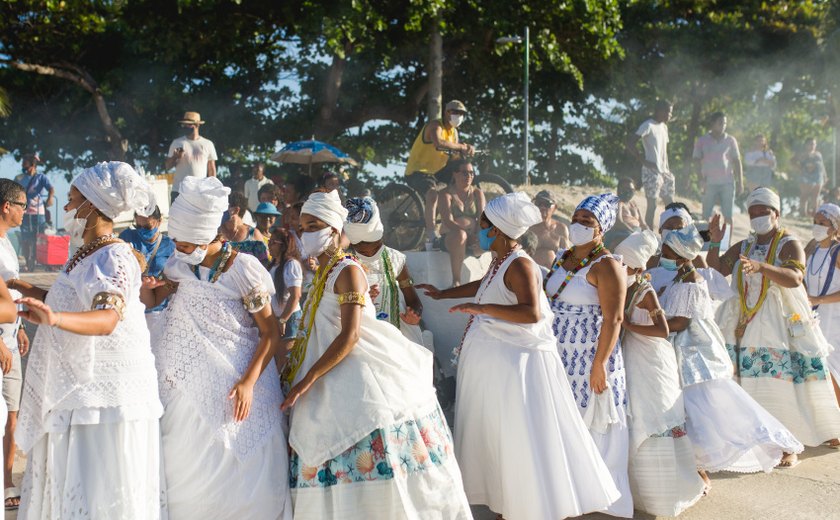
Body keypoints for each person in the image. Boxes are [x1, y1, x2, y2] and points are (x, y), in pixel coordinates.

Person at [418, 192, 620, 519]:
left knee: (514, 443)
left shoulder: (522, 264)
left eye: (484, 225)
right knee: (497, 442)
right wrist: (443, 294)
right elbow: (484, 285)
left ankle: (522, 507)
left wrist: (481, 309)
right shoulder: (502, 262)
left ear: (497, 229)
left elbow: (532, 313)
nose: (480, 229)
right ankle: (504, 503)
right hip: (494, 372)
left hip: (515, 372)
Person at [279, 190, 471, 519]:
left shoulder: (348, 271)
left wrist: (305, 381)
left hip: (359, 376)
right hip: (325, 375)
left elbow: (350, 335)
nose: (306, 233)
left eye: (314, 225)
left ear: (335, 230)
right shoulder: (321, 275)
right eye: (303, 226)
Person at [15, 161, 163, 518]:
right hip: (80, 394)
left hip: (104, 402)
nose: (65, 208)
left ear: (92, 206)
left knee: (98, 493)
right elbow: (72, 299)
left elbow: (107, 317)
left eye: (71, 199)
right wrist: (22, 287)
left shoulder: (115, 255)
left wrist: (55, 319)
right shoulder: (85, 254)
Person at [139, 176, 291, 519]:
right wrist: (137, 280)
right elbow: (152, 298)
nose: (177, 246)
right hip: (183, 387)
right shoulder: (178, 265)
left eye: (184, 240)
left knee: (238, 479)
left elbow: (270, 333)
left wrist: (248, 383)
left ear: (207, 235)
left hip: (238, 384)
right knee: (183, 468)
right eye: (175, 238)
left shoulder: (244, 270)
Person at [660, 225, 803, 482]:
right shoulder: (680, 278)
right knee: (701, 410)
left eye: (666, 252)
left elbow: (681, 322)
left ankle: (774, 443)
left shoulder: (691, 281)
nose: (662, 256)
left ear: (681, 257)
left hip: (695, 352)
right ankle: (695, 463)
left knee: (718, 407)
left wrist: (649, 327)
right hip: (686, 350)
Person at [709, 187, 840, 467]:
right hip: (740, 318)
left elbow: (794, 277)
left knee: (778, 384)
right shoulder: (743, 245)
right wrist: (714, 242)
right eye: (752, 213)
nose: (757, 218)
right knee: (741, 381)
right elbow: (718, 269)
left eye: (762, 213)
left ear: (776, 214)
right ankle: (749, 442)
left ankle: (787, 445)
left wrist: (761, 268)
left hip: (777, 322)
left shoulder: (788, 243)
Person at [544, 192, 633, 518]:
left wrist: (600, 365)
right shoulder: (564, 258)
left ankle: (601, 499)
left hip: (592, 360)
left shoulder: (607, 265)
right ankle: (571, 496)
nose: (578, 225)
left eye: (587, 222)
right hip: (561, 357)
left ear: (601, 229)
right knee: (566, 425)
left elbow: (615, 318)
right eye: (577, 218)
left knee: (595, 427)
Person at [614, 230, 705, 517]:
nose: (621, 269)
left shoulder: (645, 291)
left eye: (625, 265)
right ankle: (640, 491)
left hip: (653, 360)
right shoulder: (628, 287)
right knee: (637, 415)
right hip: (635, 359)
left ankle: (665, 494)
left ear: (638, 268)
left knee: (653, 416)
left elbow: (663, 330)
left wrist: (628, 327)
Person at [345, 197, 424, 345]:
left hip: (396, 336)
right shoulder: (346, 264)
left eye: (375, 249)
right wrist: (363, 299)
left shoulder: (396, 260)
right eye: (363, 252)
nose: (369, 254)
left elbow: (413, 301)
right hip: (362, 338)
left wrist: (414, 314)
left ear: (381, 236)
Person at [404, 100, 475, 249]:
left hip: (436, 172)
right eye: (455, 112)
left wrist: (466, 151)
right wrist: (462, 146)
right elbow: (438, 143)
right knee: (432, 194)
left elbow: (454, 155)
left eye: (461, 114)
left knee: (455, 178)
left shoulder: (454, 132)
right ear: (446, 112)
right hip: (418, 171)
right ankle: (431, 237)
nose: (458, 116)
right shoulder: (435, 126)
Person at [0, 179, 31, 511]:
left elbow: (10, 292)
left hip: (11, 336)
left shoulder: (7, 242)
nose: (27, 210)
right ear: (6, 206)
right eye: (22, 204)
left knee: (12, 415)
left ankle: (7, 481)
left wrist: (19, 327)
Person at [804, 203, 840, 447]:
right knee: (814, 367)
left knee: (833, 368)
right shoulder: (811, 248)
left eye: (822, 223)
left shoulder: (838, 252)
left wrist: (819, 300)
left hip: (833, 316)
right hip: (810, 315)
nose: (817, 226)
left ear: (834, 227)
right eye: (815, 221)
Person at [646, 204, 734, 304]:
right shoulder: (651, 262)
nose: (674, 232)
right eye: (669, 227)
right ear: (660, 230)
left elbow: (709, 295)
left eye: (680, 229)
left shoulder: (697, 261)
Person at [118, 205, 175, 329]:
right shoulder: (127, 237)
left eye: (147, 227)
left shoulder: (170, 245)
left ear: (159, 221)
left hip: (157, 311)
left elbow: (173, 279)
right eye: (138, 226)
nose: (142, 231)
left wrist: (159, 284)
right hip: (131, 308)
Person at [626, 100, 674, 229]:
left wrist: (667, 169)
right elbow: (630, 142)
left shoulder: (664, 127)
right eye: (668, 112)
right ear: (660, 111)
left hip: (664, 171)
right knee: (652, 205)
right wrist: (643, 160)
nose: (670, 115)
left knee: (670, 204)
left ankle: (671, 234)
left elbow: (663, 150)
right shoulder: (647, 125)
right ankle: (648, 235)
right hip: (651, 170)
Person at [438, 159, 486, 286]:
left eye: (471, 172)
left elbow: (483, 219)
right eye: (465, 172)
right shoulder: (446, 194)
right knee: (460, 235)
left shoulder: (477, 193)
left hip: (472, 240)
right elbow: (448, 221)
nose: (469, 176)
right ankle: (456, 281)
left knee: (494, 236)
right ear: (455, 174)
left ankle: (495, 278)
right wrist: (467, 235)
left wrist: (478, 235)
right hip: (451, 238)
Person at [693, 112, 743, 229]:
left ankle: (728, 245)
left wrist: (740, 182)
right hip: (708, 182)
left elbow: (737, 161)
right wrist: (700, 179)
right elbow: (696, 160)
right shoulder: (702, 140)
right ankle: (705, 242)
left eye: (725, 123)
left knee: (728, 216)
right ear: (712, 123)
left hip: (727, 182)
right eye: (720, 123)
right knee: (705, 215)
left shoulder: (730, 140)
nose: (723, 125)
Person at [267, 226, 303, 370]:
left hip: (289, 318)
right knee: (277, 361)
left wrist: (283, 319)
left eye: (272, 242)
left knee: (285, 361)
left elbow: (296, 296)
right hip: (278, 319)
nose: (269, 245)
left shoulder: (291, 265)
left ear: (283, 245)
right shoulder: (273, 266)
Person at [165, 111, 218, 200]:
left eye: (188, 124)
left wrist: (212, 188)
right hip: (179, 190)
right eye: (184, 125)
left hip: (199, 191)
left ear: (197, 125)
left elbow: (211, 169)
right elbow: (167, 166)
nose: (185, 127)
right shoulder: (177, 142)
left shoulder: (207, 144)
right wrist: (175, 157)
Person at [15, 154, 54, 272]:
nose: (23, 166)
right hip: (24, 212)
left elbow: (51, 189)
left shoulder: (41, 177)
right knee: (25, 239)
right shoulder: (19, 178)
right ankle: (28, 262)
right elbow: (13, 190)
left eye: (25, 164)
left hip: (39, 213)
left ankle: (41, 261)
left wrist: (50, 198)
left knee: (40, 238)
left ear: (33, 165)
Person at [528, 190, 569, 269]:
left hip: (553, 277)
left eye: (547, 204)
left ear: (555, 208)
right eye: (539, 203)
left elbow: (567, 258)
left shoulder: (561, 229)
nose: (542, 207)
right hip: (529, 274)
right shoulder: (527, 228)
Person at [605, 177, 647, 249]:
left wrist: (649, 233)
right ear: (620, 190)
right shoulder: (618, 203)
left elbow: (643, 223)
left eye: (631, 189)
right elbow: (618, 222)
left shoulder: (634, 204)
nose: (628, 191)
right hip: (622, 232)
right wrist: (633, 232)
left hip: (636, 231)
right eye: (625, 189)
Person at [796, 137, 826, 218]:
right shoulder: (803, 155)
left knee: (815, 196)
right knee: (804, 195)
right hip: (806, 176)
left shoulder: (818, 154)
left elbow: (822, 166)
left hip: (818, 176)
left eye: (814, 144)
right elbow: (796, 164)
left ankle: (814, 215)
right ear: (806, 145)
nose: (812, 145)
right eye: (810, 144)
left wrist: (825, 176)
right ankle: (803, 214)